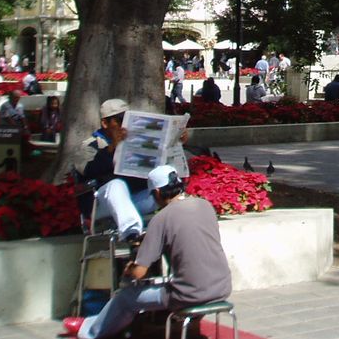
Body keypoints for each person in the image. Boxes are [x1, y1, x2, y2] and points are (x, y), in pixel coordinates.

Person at [64, 165, 232, 339]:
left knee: (126, 298)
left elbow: (139, 272)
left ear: (157, 192)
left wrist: (129, 268)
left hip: (188, 294)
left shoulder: (162, 218)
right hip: (222, 287)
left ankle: (89, 332)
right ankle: (94, 321)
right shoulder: (205, 205)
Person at [77, 99, 155, 239]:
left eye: (128, 119)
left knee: (164, 181)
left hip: (132, 199)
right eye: (120, 120)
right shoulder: (90, 145)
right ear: (105, 123)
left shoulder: (135, 141)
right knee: (116, 185)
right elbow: (88, 170)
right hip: (102, 204)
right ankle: (131, 235)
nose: (124, 124)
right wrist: (113, 147)